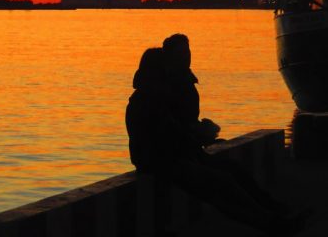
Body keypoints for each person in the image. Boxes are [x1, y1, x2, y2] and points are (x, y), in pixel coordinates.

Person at [126, 44, 309, 235]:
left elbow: (172, 135)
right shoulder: (148, 101)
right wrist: (196, 139)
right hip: (162, 163)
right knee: (222, 185)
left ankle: (271, 217)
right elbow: (162, 141)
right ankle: (272, 222)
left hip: (171, 158)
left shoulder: (151, 97)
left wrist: (194, 140)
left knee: (228, 178)